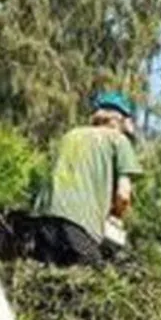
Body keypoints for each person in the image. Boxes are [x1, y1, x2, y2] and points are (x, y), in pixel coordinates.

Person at [35, 91, 142, 267]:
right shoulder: (119, 140)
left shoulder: (70, 135)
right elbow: (123, 195)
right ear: (122, 119)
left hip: (45, 218)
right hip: (79, 222)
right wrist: (116, 216)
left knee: (53, 279)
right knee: (93, 279)